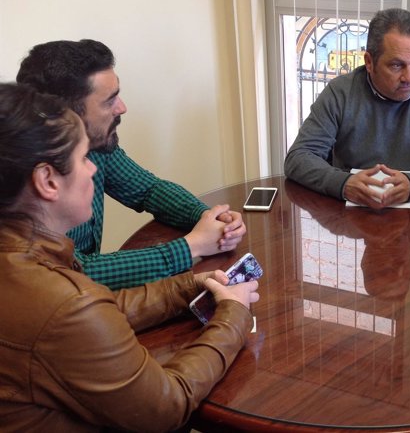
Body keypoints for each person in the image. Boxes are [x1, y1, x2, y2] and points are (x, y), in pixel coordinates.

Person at [0, 82, 260, 432]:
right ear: (47, 180)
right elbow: (166, 407)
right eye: (82, 159)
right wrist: (233, 316)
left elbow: (96, 316)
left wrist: (186, 287)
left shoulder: (26, 263)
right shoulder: (64, 302)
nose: (93, 170)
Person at [16, 39, 247, 290]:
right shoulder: (22, 186)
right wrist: (192, 246)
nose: (122, 108)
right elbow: (73, 273)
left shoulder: (96, 145)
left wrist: (207, 218)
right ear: (67, 113)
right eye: (109, 100)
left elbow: (149, 190)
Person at [284, 8, 410, 209]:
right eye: (396, 65)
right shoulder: (340, 92)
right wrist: (343, 184)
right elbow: (298, 158)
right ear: (369, 62)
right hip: (351, 217)